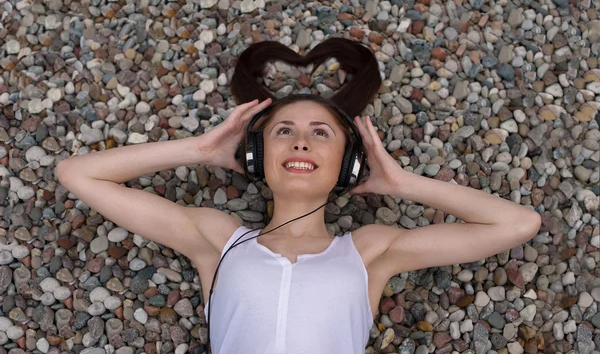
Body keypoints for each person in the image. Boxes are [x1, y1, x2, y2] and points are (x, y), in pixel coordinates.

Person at [56, 37, 542, 354]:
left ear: (349, 167)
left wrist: (402, 183)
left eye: (321, 134)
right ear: (255, 158)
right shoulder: (216, 241)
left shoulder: (371, 252)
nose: (300, 142)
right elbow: (78, 174)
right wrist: (201, 149)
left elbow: (518, 224)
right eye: (283, 131)